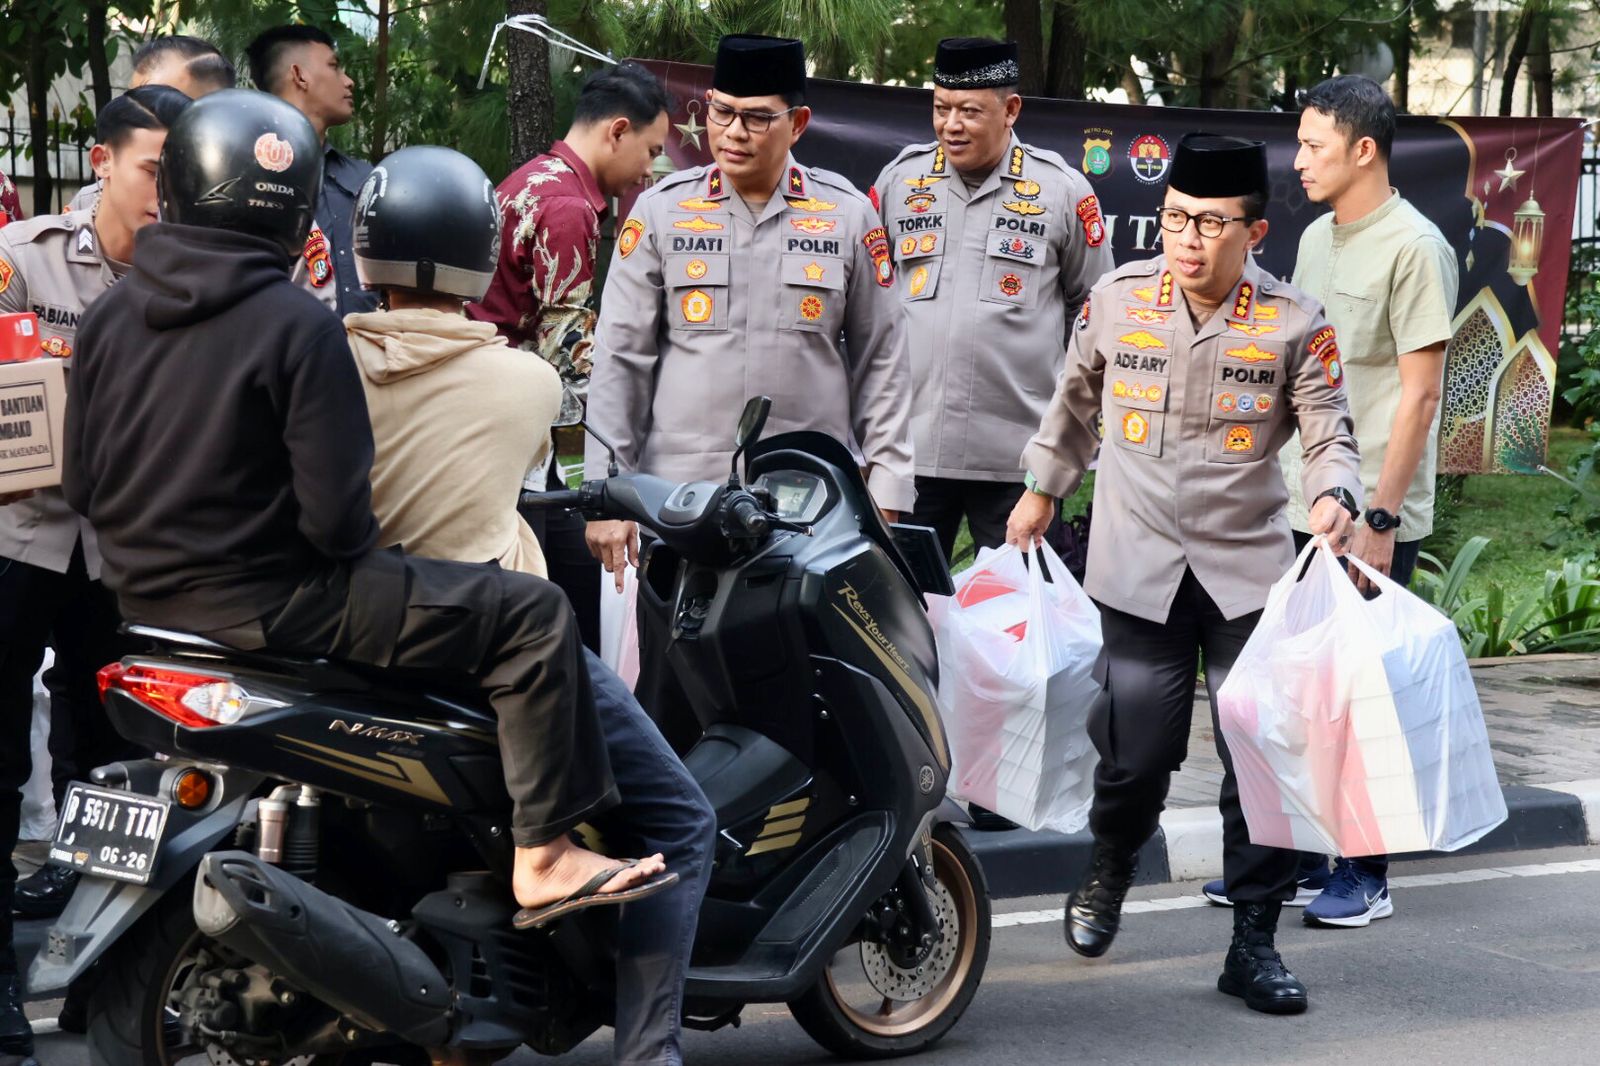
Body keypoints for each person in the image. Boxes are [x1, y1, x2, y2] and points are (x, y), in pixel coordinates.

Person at [62, 90, 675, 943]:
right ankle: (544, 853)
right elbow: (341, 527)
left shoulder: (109, 318)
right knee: (532, 615)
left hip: (145, 611)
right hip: (277, 603)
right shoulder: (296, 327)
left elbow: (81, 488)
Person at [346, 144, 714, 1064]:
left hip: (358, 637)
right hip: (501, 648)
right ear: (480, 254)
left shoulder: (325, 364)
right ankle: (648, 1052)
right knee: (682, 819)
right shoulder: (527, 383)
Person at [1006, 133, 1363, 1015]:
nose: (1188, 239)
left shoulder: (1295, 323)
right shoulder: (1119, 302)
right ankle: (1111, 861)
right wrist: (1040, 491)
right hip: (1138, 574)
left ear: (1255, 232)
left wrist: (1335, 498)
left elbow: (1328, 433)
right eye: (1174, 221)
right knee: (1138, 752)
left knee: (1261, 758)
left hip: (1248, 579)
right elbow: (1073, 404)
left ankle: (1253, 943)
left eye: (1209, 223)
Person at [1203, 75, 1458, 928]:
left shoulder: (1415, 247)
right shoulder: (1315, 238)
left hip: (1372, 513)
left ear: (1364, 150)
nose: (1298, 159)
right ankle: (1302, 857)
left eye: (1314, 145)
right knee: (1295, 689)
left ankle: (1367, 871)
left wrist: (1381, 521)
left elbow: (1421, 396)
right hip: (1304, 504)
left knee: (1361, 692)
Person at [0, 84, 192, 1062]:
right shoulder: (25, 257)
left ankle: (94, 970)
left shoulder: (184, 280)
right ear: (104, 163)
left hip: (126, 552)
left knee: (114, 768)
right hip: (20, 540)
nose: (168, 189)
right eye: (156, 167)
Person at [585, 32, 914, 575]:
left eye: (758, 118)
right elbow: (621, 359)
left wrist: (888, 488)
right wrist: (608, 490)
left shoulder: (848, 215)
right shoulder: (660, 213)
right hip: (679, 502)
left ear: (798, 123)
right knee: (674, 654)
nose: (734, 132)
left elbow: (884, 364)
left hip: (811, 504)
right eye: (722, 111)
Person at [871, 37, 1113, 563]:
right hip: (908, 454)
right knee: (896, 618)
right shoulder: (898, 181)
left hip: (1015, 461)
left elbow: (1095, 320)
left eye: (969, 111)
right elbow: (871, 307)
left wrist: (1060, 447)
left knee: (1009, 624)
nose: (950, 125)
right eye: (941, 108)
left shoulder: (1062, 192)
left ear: (1011, 110)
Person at [469, 61, 671, 651]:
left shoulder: (528, 180)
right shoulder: (568, 208)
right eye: (649, 151)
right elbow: (568, 360)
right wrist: (594, 482)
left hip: (484, 416)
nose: (647, 172)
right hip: (521, 437)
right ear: (617, 130)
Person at [247, 23, 377, 317]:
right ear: (299, 75)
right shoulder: (247, 181)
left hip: (367, 357)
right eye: (334, 67)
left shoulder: (364, 178)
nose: (349, 81)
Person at [67, 35, 235, 212]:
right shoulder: (92, 204)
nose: (143, 114)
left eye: (169, 105)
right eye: (137, 102)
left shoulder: (250, 201)